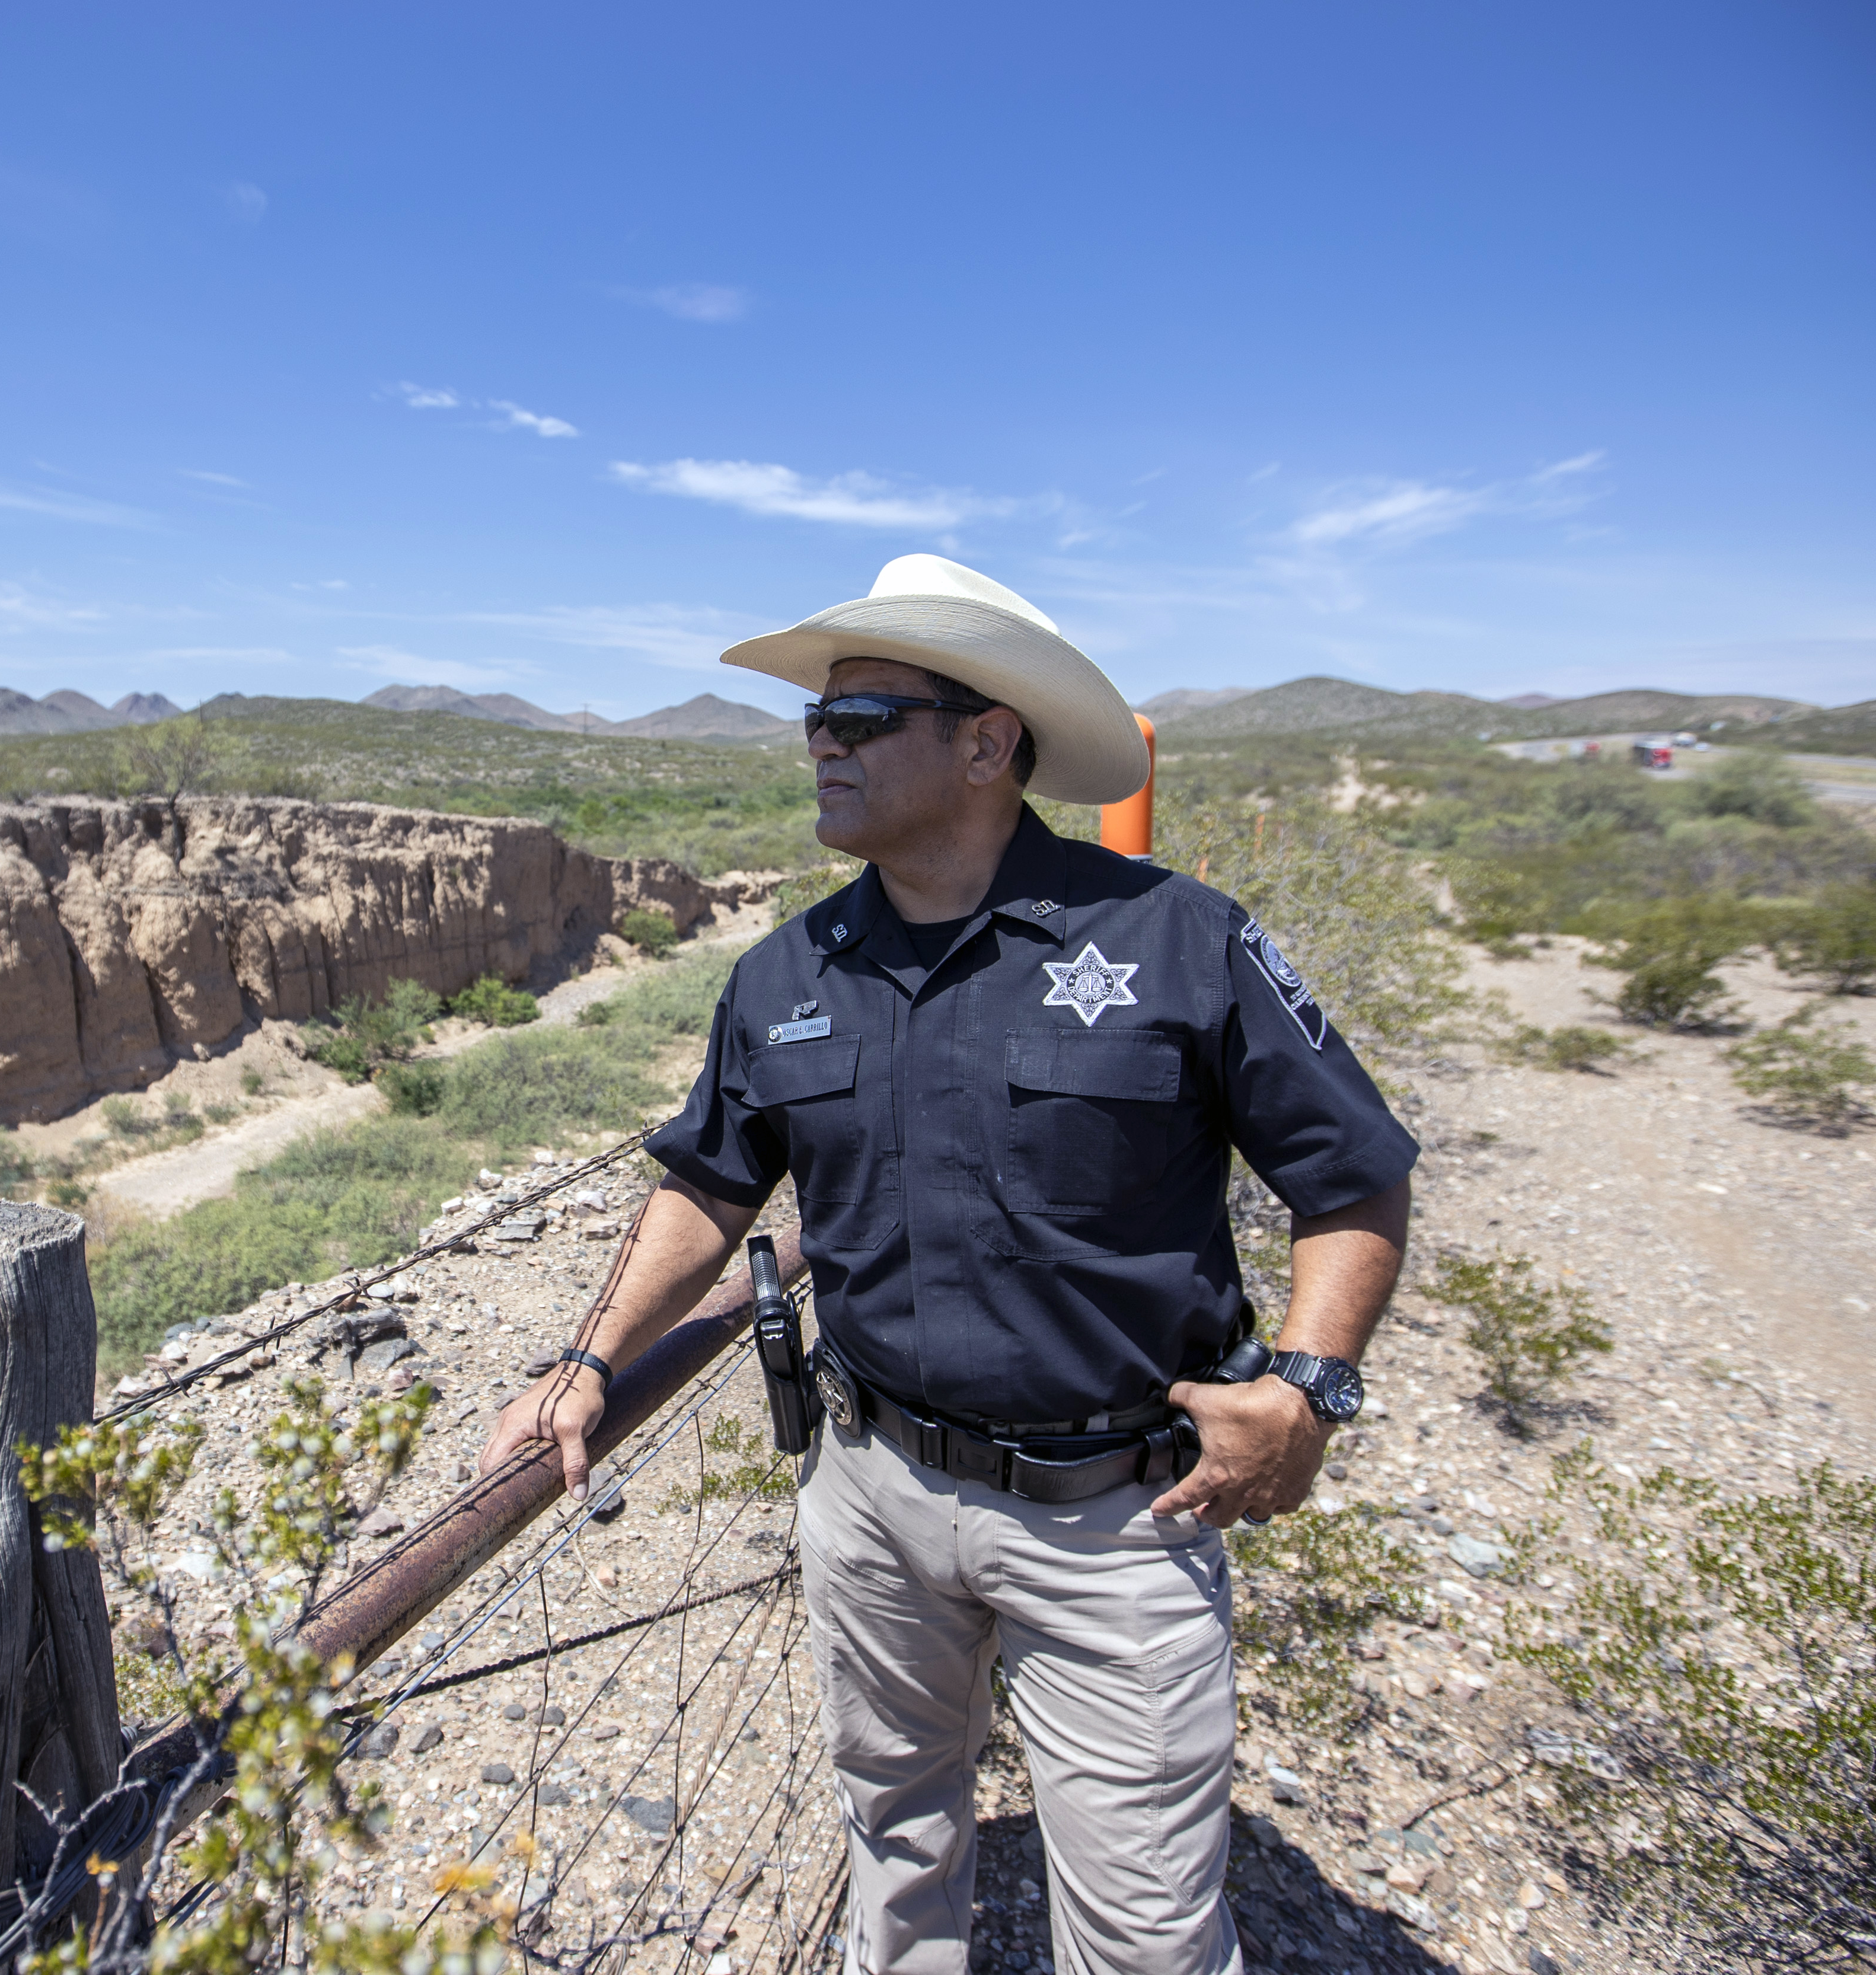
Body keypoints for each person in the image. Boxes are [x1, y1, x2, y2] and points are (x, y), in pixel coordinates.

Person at [478, 555, 1416, 1975]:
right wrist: (590, 1353)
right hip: (868, 1494)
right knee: (895, 1842)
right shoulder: (786, 973)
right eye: (816, 721)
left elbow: (1355, 1177)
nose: (820, 746)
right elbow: (710, 1181)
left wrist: (1308, 1387)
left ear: (986, 744)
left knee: (1151, 1934)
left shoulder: (1176, 938)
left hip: (1118, 1515)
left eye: (859, 720)